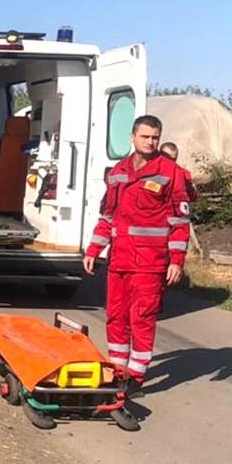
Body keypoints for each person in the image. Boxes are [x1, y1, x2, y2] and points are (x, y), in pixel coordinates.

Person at [83, 116, 191, 398]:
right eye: (145, 137)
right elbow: (108, 215)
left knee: (141, 319)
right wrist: (94, 249)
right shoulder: (118, 171)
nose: (151, 142)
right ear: (132, 137)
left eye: (155, 137)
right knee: (116, 317)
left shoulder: (170, 172)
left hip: (149, 263)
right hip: (119, 260)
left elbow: (180, 222)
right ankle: (117, 372)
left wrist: (176, 260)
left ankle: (136, 378)